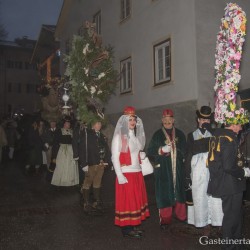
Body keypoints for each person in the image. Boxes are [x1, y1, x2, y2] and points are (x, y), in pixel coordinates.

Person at [207, 119, 250, 248]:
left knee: (235, 215)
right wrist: (244, 172)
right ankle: (228, 246)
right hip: (230, 184)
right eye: (239, 125)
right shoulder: (229, 139)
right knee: (231, 218)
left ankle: (237, 243)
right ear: (233, 124)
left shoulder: (217, 134)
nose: (241, 128)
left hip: (226, 182)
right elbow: (228, 166)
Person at [111, 106, 150, 238]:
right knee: (128, 202)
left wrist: (142, 155)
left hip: (137, 173)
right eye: (129, 119)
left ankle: (133, 225)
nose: (132, 122)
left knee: (136, 201)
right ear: (124, 121)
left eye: (134, 119)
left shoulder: (134, 137)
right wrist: (120, 175)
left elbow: (136, 152)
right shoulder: (118, 137)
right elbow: (114, 157)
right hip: (126, 173)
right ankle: (127, 229)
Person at [185, 106, 223, 235]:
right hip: (198, 169)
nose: (205, 122)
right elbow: (191, 151)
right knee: (200, 195)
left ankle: (217, 221)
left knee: (215, 196)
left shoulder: (215, 133)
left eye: (207, 120)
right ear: (198, 120)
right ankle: (203, 222)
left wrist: (203, 144)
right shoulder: (191, 135)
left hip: (213, 168)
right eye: (202, 119)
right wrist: (187, 175)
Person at [147, 108, 186, 230]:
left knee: (179, 192)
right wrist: (161, 150)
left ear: (173, 120)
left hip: (178, 169)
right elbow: (150, 151)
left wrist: (176, 151)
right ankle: (165, 219)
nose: (167, 121)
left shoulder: (180, 134)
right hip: (163, 170)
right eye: (165, 119)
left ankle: (181, 216)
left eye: (169, 119)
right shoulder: (157, 135)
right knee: (164, 193)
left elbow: (185, 150)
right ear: (162, 120)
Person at [72, 119, 111, 214]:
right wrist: (84, 164)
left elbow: (106, 149)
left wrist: (107, 161)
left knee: (97, 182)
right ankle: (86, 202)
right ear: (92, 124)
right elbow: (82, 149)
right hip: (91, 162)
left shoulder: (102, 135)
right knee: (87, 182)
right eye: (97, 123)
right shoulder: (87, 134)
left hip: (101, 164)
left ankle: (96, 202)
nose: (99, 125)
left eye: (100, 123)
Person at [51, 117, 79, 187]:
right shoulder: (59, 131)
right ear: (64, 124)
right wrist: (54, 156)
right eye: (67, 123)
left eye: (69, 123)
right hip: (62, 151)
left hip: (70, 151)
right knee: (61, 166)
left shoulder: (72, 131)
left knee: (70, 166)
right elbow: (55, 143)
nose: (68, 125)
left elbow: (74, 142)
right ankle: (61, 181)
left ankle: (70, 181)